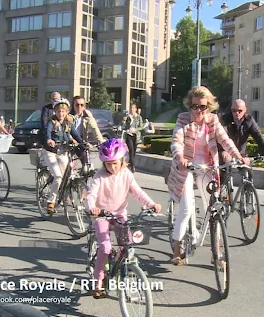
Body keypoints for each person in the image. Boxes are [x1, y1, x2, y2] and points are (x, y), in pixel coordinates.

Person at [167, 86, 249, 266]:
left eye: (202, 107)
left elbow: (225, 140)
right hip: (186, 167)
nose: (198, 111)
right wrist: (180, 157)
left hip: (207, 168)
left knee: (212, 209)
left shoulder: (213, 121)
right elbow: (176, 140)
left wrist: (238, 157)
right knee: (187, 207)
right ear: (190, 106)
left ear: (209, 106)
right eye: (194, 106)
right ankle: (177, 248)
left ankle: (217, 252)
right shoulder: (183, 119)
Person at [85, 138, 162, 298]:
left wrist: (151, 204)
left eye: (115, 163)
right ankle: (98, 280)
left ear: (122, 160)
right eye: (108, 164)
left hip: (120, 215)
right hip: (101, 216)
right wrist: (92, 207)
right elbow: (91, 194)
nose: (112, 167)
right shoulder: (100, 176)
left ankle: (122, 268)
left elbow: (138, 193)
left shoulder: (126, 174)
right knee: (105, 247)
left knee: (126, 246)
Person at [42, 98, 84, 214]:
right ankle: (51, 202)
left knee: (68, 174)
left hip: (63, 152)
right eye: (59, 111)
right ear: (55, 111)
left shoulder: (68, 123)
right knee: (59, 177)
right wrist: (49, 140)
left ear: (67, 112)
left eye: (63, 111)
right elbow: (47, 132)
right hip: (51, 152)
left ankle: (65, 195)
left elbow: (75, 134)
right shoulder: (52, 122)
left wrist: (82, 143)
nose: (61, 114)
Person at [69, 96, 105, 170]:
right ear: (73, 105)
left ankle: (82, 179)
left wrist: (101, 141)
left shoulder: (87, 116)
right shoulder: (69, 117)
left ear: (84, 107)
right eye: (77, 105)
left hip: (81, 141)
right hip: (70, 141)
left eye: (82, 105)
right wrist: (72, 139)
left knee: (86, 164)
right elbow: (66, 130)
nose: (79, 107)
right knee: (68, 167)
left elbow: (95, 128)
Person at [121, 104, 144, 172]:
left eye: (133, 108)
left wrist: (135, 130)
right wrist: (124, 121)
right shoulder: (128, 117)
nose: (132, 109)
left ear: (135, 109)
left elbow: (141, 127)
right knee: (131, 150)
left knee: (134, 152)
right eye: (131, 108)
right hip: (129, 135)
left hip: (136, 136)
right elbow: (124, 127)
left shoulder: (139, 117)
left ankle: (130, 164)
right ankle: (133, 166)